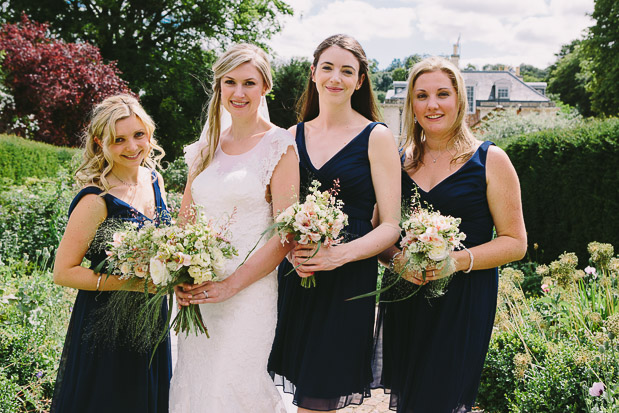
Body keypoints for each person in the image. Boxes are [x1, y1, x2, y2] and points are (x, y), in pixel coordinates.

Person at [372, 56, 527, 413]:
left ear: (460, 100)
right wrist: (397, 259)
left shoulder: (490, 159)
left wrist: (453, 262)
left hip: (463, 301)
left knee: (438, 399)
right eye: (422, 95)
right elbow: (382, 231)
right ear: (411, 104)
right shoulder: (398, 162)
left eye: (443, 93)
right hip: (406, 297)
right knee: (411, 400)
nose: (432, 104)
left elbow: (515, 242)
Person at [267, 34, 402, 412]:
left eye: (347, 71)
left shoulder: (376, 136)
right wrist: (295, 248)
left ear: (360, 81)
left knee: (318, 398)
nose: (335, 78)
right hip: (298, 276)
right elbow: (282, 215)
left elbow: (391, 225)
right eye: (327, 67)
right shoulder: (291, 137)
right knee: (298, 391)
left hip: (348, 280)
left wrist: (337, 256)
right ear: (313, 73)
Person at [170, 43, 299, 412]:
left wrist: (231, 284)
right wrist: (180, 272)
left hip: (249, 294)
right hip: (200, 292)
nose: (239, 93)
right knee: (197, 384)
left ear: (265, 88)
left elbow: (285, 233)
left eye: (248, 83)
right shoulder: (205, 147)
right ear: (220, 87)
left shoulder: (280, 146)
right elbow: (185, 220)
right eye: (230, 82)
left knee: (234, 384)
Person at [51, 94, 172, 412]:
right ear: (99, 142)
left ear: (149, 133)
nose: (132, 147)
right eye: (119, 140)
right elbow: (63, 272)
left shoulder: (154, 180)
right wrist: (131, 282)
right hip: (107, 326)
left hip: (152, 320)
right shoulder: (95, 199)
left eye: (138, 135)